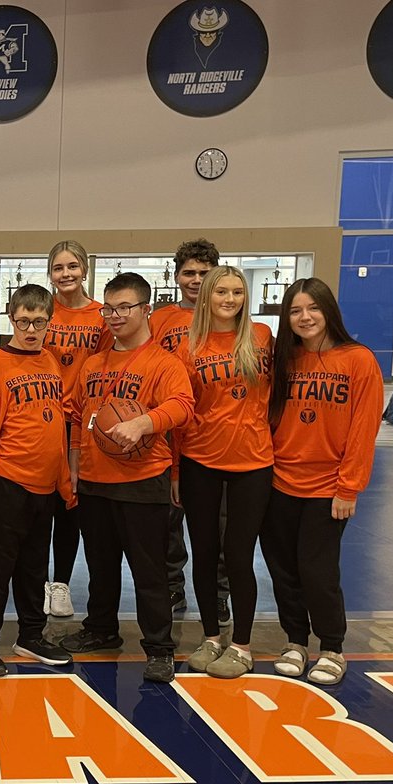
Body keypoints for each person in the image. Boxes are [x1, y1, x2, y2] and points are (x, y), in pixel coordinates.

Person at [60, 272, 194, 683]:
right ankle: (102, 629)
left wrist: (144, 423)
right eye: (109, 308)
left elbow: (183, 406)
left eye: (124, 308)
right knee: (100, 566)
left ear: (145, 309)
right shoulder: (93, 364)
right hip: (96, 481)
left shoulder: (163, 363)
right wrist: (75, 464)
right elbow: (79, 415)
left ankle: (159, 647)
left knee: (149, 571)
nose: (115, 316)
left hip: (142, 481)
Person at [260, 278, 382, 686]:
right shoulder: (284, 360)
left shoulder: (358, 360)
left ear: (329, 310)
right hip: (278, 482)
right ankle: (295, 640)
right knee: (283, 569)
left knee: (317, 569)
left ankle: (331, 645)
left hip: (327, 487)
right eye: (295, 311)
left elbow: (364, 430)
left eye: (313, 308)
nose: (305, 317)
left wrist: (349, 487)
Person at [0, 284, 73, 677]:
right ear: (11, 318)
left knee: (34, 567)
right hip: (8, 482)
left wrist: (63, 481)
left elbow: (58, 427)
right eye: (23, 320)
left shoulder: (52, 363)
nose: (30, 329)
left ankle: (30, 635)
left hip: (45, 487)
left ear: (49, 323)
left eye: (38, 322)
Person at [174, 266, 273, 678]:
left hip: (253, 462)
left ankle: (243, 645)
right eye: (221, 292)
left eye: (237, 292)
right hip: (200, 461)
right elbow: (182, 412)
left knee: (237, 555)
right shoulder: (189, 347)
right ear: (207, 297)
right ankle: (212, 635)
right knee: (203, 551)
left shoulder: (263, 337)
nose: (229, 299)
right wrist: (177, 471)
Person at [150, 238, 230, 620]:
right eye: (189, 273)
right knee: (168, 517)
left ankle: (218, 594)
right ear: (177, 275)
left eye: (204, 272)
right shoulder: (161, 320)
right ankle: (172, 587)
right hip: (168, 430)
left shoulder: (229, 320)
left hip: (214, 432)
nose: (196, 280)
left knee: (217, 522)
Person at [40, 240, 111, 618]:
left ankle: (62, 583)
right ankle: (37, 580)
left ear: (84, 270)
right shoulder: (41, 311)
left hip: (81, 421)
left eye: (72, 267)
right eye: (58, 268)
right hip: (40, 419)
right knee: (39, 504)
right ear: (50, 273)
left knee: (70, 503)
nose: (65, 274)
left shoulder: (101, 316)